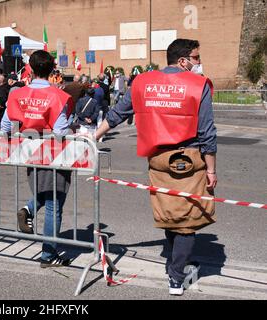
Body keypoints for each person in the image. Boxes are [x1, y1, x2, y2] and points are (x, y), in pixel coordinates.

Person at [95, 39, 217, 296]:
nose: (199, 62)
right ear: (183, 61)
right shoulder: (198, 85)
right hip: (190, 159)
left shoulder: (142, 82)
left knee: (170, 211)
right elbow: (207, 133)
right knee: (187, 220)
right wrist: (211, 170)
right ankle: (176, 277)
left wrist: (94, 136)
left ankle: (175, 263)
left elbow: (117, 113)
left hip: (157, 159)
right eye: (196, 58)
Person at [2, 50, 74, 268]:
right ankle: (48, 255)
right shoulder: (58, 96)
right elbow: (61, 131)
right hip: (53, 154)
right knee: (54, 204)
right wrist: (74, 128)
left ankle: (28, 210)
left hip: (28, 152)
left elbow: (5, 126)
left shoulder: (16, 94)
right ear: (52, 70)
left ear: (30, 69)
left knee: (45, 194)